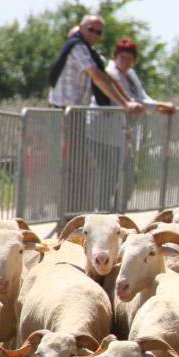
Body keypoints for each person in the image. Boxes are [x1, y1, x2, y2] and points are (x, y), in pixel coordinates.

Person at [48, 15, 142, 213]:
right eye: (91, 30)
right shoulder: (78, 47)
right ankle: (67, 214)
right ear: (81, 28)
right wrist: (125, 103)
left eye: (99, 32)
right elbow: (97, 77)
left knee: (79, 166)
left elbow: (106, 78)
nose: (94, 35)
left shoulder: (88, 50)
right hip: (65, 114)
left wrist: (127, 101)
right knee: (70, 167)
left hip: (76, 115)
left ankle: (75, 213)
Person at [106, 39, 176, 207]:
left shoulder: (131, 74)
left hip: (126, 132)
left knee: (129, 176)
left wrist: (158, 105)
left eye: (129, 58)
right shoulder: (111, 73)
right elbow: (132, 101)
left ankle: (118, 210)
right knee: (111, 176)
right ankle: (106, 210)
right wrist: (161, 106)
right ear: (115, 57)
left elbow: (142, 98)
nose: (126, 61)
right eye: (122, 57)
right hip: (109, 131)